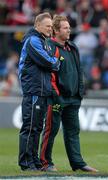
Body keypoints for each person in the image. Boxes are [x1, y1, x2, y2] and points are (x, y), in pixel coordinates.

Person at [40, 15, 98, 172]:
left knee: (73, 132)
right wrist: (56, 96)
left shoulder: (73, 47)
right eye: (65, 28)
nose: (69, 31)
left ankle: (78, 163)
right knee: (51, 131)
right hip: (57, 99)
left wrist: (80, 93)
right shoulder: (50, 48)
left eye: (69, 28)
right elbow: (50, 76)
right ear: (56, 31)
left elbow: (79, 71)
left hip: (73, 99)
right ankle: (45, 163)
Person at [18, 12, 60, 171]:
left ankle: (34, 160)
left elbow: (51, 62)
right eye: (48, 26)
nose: (51, 29)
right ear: (38, 26)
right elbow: (50, 62)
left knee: (37, 127)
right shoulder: (33, 40)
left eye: (51, 26)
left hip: (42, 90)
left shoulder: (43, 41)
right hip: (33, 90)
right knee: (30, 127)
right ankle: (26, 163)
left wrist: (53, 62)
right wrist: (55, 62)